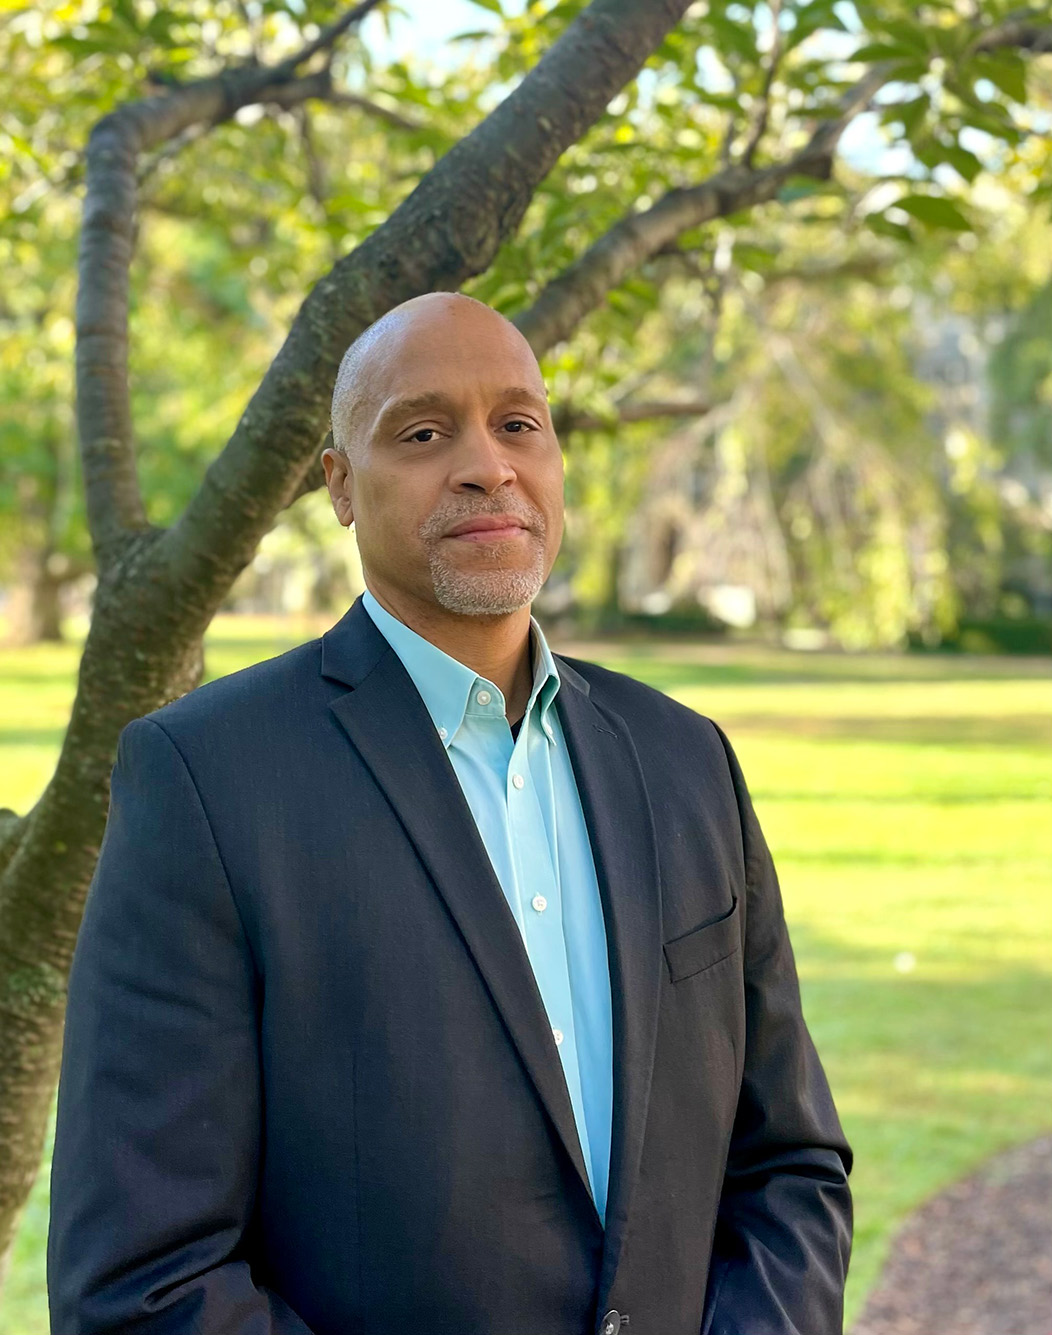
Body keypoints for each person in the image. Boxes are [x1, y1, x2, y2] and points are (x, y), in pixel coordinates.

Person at [48, 293, 852, 1335]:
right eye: (423, 433)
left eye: (518, 424)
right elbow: (144, 1280)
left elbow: (789, 1165)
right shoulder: (206, 782)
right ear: (338, 484)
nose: (487, 466)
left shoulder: (684, 761)